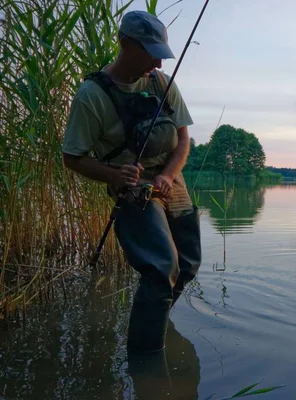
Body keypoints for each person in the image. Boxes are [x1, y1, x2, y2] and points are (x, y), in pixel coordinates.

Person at [61, 10, 202, 354]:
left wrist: (169, 174)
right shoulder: (92, 95)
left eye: (160, 53)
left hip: (172, 179)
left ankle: (154, 319)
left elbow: (183, 140)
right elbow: (72, 157)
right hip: (132, 187)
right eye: (150, 51)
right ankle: (146, 360)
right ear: (125, 44)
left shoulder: (162, 83)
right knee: (159, 267)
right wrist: (114, 175)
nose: (157, 62)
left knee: (188, 263)